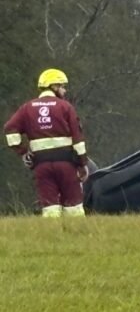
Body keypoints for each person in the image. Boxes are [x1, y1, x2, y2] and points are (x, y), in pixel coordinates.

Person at [4, 69, 89, 218]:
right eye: (62, 86)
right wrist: (83, 163)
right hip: (66, 164)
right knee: (74, 207)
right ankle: (76, 231)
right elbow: (78, 139)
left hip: (41, 165)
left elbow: (10, 129)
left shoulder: (27, 108)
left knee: (50, 208)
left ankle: (50, 230)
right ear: (54, 86)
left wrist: (23, 151)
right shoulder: (65, 107)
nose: (64, 90)